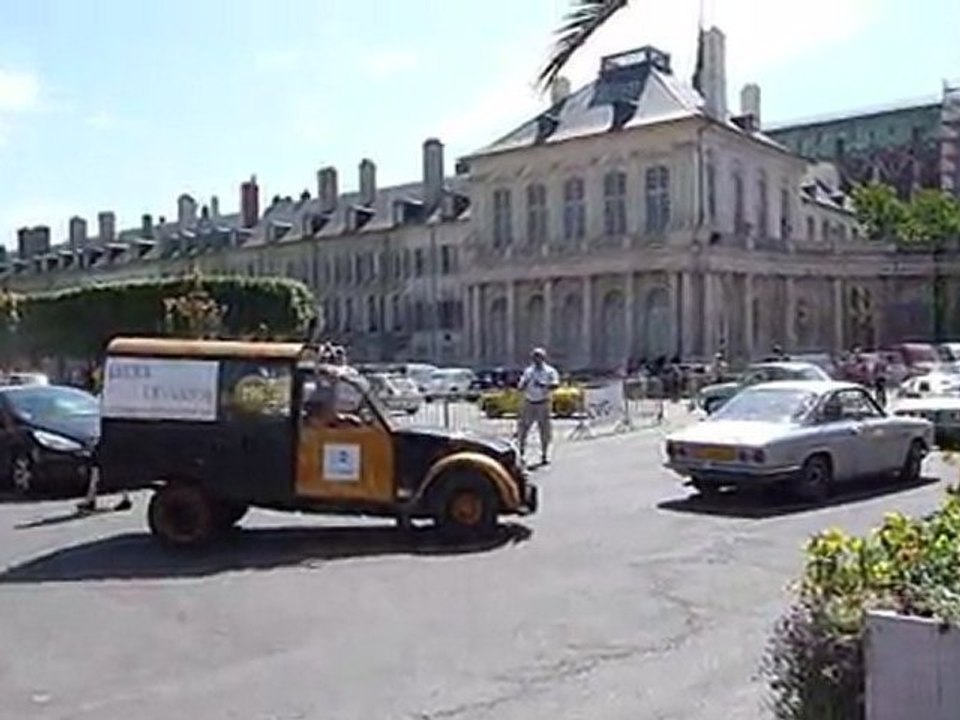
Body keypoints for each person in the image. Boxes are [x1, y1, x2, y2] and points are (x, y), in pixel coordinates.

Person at [517, 347, 560, 466]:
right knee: (523, 429)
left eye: (539, 357)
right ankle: (521, 453)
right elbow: (521, 384)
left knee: (544, 430)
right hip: (529, 402)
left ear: (543, 358)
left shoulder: (550, 371)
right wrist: (522, 385)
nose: (536, 359)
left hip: (543, 403)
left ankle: (545, 454)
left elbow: (555, 384)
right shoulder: (528, 371)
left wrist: (543, 385)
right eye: (534, 357)